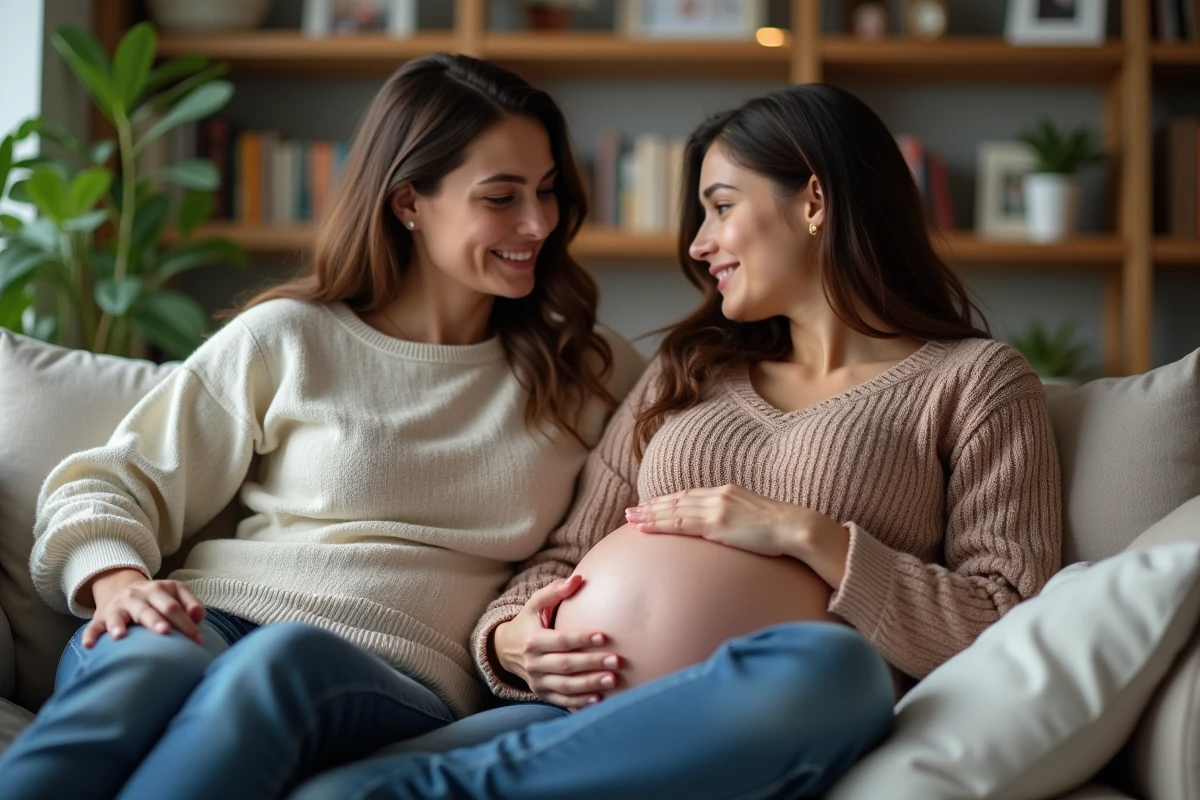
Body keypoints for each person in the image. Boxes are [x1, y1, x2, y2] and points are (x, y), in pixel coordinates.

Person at [289, 82, 1063, 800]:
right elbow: (565, 554)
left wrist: (806, 535)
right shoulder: (688, 371)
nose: (699, 244)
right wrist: (513, 637)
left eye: (720, 207)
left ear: (815, 201)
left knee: (833, 667)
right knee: (328, 789)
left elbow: (1009, 619)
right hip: (582, 715)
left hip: (775, 718)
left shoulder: (975, 381)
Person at [0, 53, 645, 800]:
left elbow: (700, 429)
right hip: (215, 615)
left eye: (547, 191)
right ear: (409, 202)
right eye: (501, 198)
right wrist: (117, 583)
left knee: (283, 665)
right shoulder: (289, 337)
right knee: (143, 658)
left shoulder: (583, 367)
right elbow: (111, 480)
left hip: (393, 670)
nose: (538, 222)